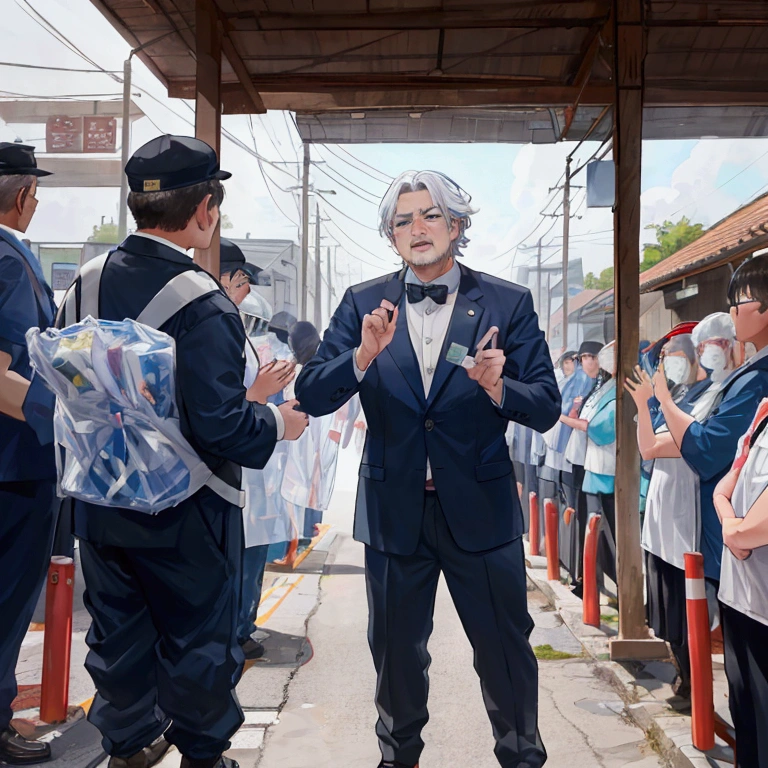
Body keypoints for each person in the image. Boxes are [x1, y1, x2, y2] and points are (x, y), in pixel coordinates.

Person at [57, 135, 308, 768]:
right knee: (199, 637)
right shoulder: (204, 302)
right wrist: (278, 423)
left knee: (117, 633)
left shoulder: (84, 284)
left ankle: (129, 743)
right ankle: (201, 754)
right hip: (189, 510)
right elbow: (221, 426)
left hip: (102, 498)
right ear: (205, 211)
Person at [296, 169, 560, 768]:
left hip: (482, 511)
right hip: (394, 515)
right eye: (402, 221)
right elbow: (312, 394)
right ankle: (398, 758)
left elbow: (545, 404)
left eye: (429, 216)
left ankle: (521, 756)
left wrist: (499, 386)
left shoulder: (506, 301)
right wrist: (362, 354)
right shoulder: (364, 303)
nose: (416, 229)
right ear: (390, 237)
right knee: (394, 655)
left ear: (456, 225)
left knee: (503, 650)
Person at [645, 256, 768, 604]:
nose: (733, 312)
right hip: (726, 524)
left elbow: (710, 448)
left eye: (739, 302)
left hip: (740, 532)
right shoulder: (746, 378)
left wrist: (663, 402)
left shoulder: (756, 380)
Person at [626, 316, 737, 699]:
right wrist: (646, 404)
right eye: (666, 357)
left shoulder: (708, 395)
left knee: (692, 611)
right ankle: (683, 673)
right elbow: (647, 450)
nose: (671, 363)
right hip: (661, 515)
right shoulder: (680, 397)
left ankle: (695, 686)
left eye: (678, 355)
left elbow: (682, 445)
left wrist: (660, 404)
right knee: (668, 610)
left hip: (688, 516)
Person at [0, 143, 58, 765]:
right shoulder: (11, 262)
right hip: (13, 468)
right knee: (8, 600)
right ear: (21, 198)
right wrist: (65, 418)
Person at [217, 243, 297, 660]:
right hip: (229, 468)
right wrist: (259, 395)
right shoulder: (213, 330)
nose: (247, 290)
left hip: (256, 466)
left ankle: (241, 626)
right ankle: (232, 629)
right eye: (243, 281)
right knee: (236, 556)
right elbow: (220, 407)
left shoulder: (244, 339)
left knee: (250, 554)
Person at [560, 340, 602, 595]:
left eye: (590, 357)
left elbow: (589, 424)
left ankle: (587, 581)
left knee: (590, 519)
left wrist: (564, 418)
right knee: (580, 516)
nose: (586, 361)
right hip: (577, 459)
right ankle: (581, 577)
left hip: (593, 463)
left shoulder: (598, 386)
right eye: (582, 357)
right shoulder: (586, 386)